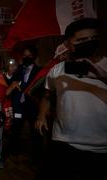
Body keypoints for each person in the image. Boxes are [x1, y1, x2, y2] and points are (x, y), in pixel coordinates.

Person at [36, 18, 107, 180]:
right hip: (64, 143)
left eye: (93, 38)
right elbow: (46, 96)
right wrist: (41, 116)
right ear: (68, 44)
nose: (89, 42)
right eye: (82, 40)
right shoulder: (57, 70)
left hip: (102, 148)